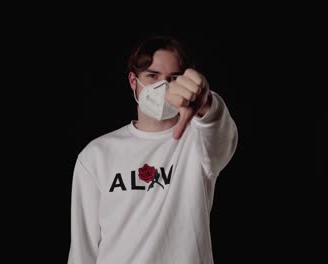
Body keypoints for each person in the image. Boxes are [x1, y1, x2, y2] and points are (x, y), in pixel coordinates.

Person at [68, 35, 238, 264]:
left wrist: (206, 102)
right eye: (152, 76)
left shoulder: (199, 143)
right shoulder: (96, 155)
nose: (162, 86)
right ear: (133, 81)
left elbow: (218, 129)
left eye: (174, 78)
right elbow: (83, 250)